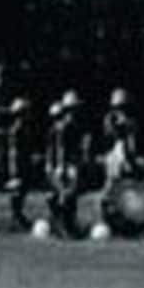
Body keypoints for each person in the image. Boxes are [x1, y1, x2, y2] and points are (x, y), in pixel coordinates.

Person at [46, 91, 89, 238]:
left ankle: (67, 224)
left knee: (70, 195)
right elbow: (61, 148)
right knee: (66, 195)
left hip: (67, 163)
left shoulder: (71, 125)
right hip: (63, 164)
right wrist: (61, 167)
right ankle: (63, 226)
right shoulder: (64, 126)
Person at [3, 97, 41, 230]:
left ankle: (17, 215)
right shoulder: (17, 128)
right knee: (18, 189)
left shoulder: (23, 127)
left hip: (22, 161)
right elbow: (14, 150)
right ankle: (16, 216)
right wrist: (14, 168)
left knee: (22, 189)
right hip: (18, 163)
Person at [102, 88, 138, 165]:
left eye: (124, 108)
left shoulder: (132, 122)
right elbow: (107, 137)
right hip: (112, 155)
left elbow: (132, 144)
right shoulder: (109, 118)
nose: (121, 112)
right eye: (118, 108)